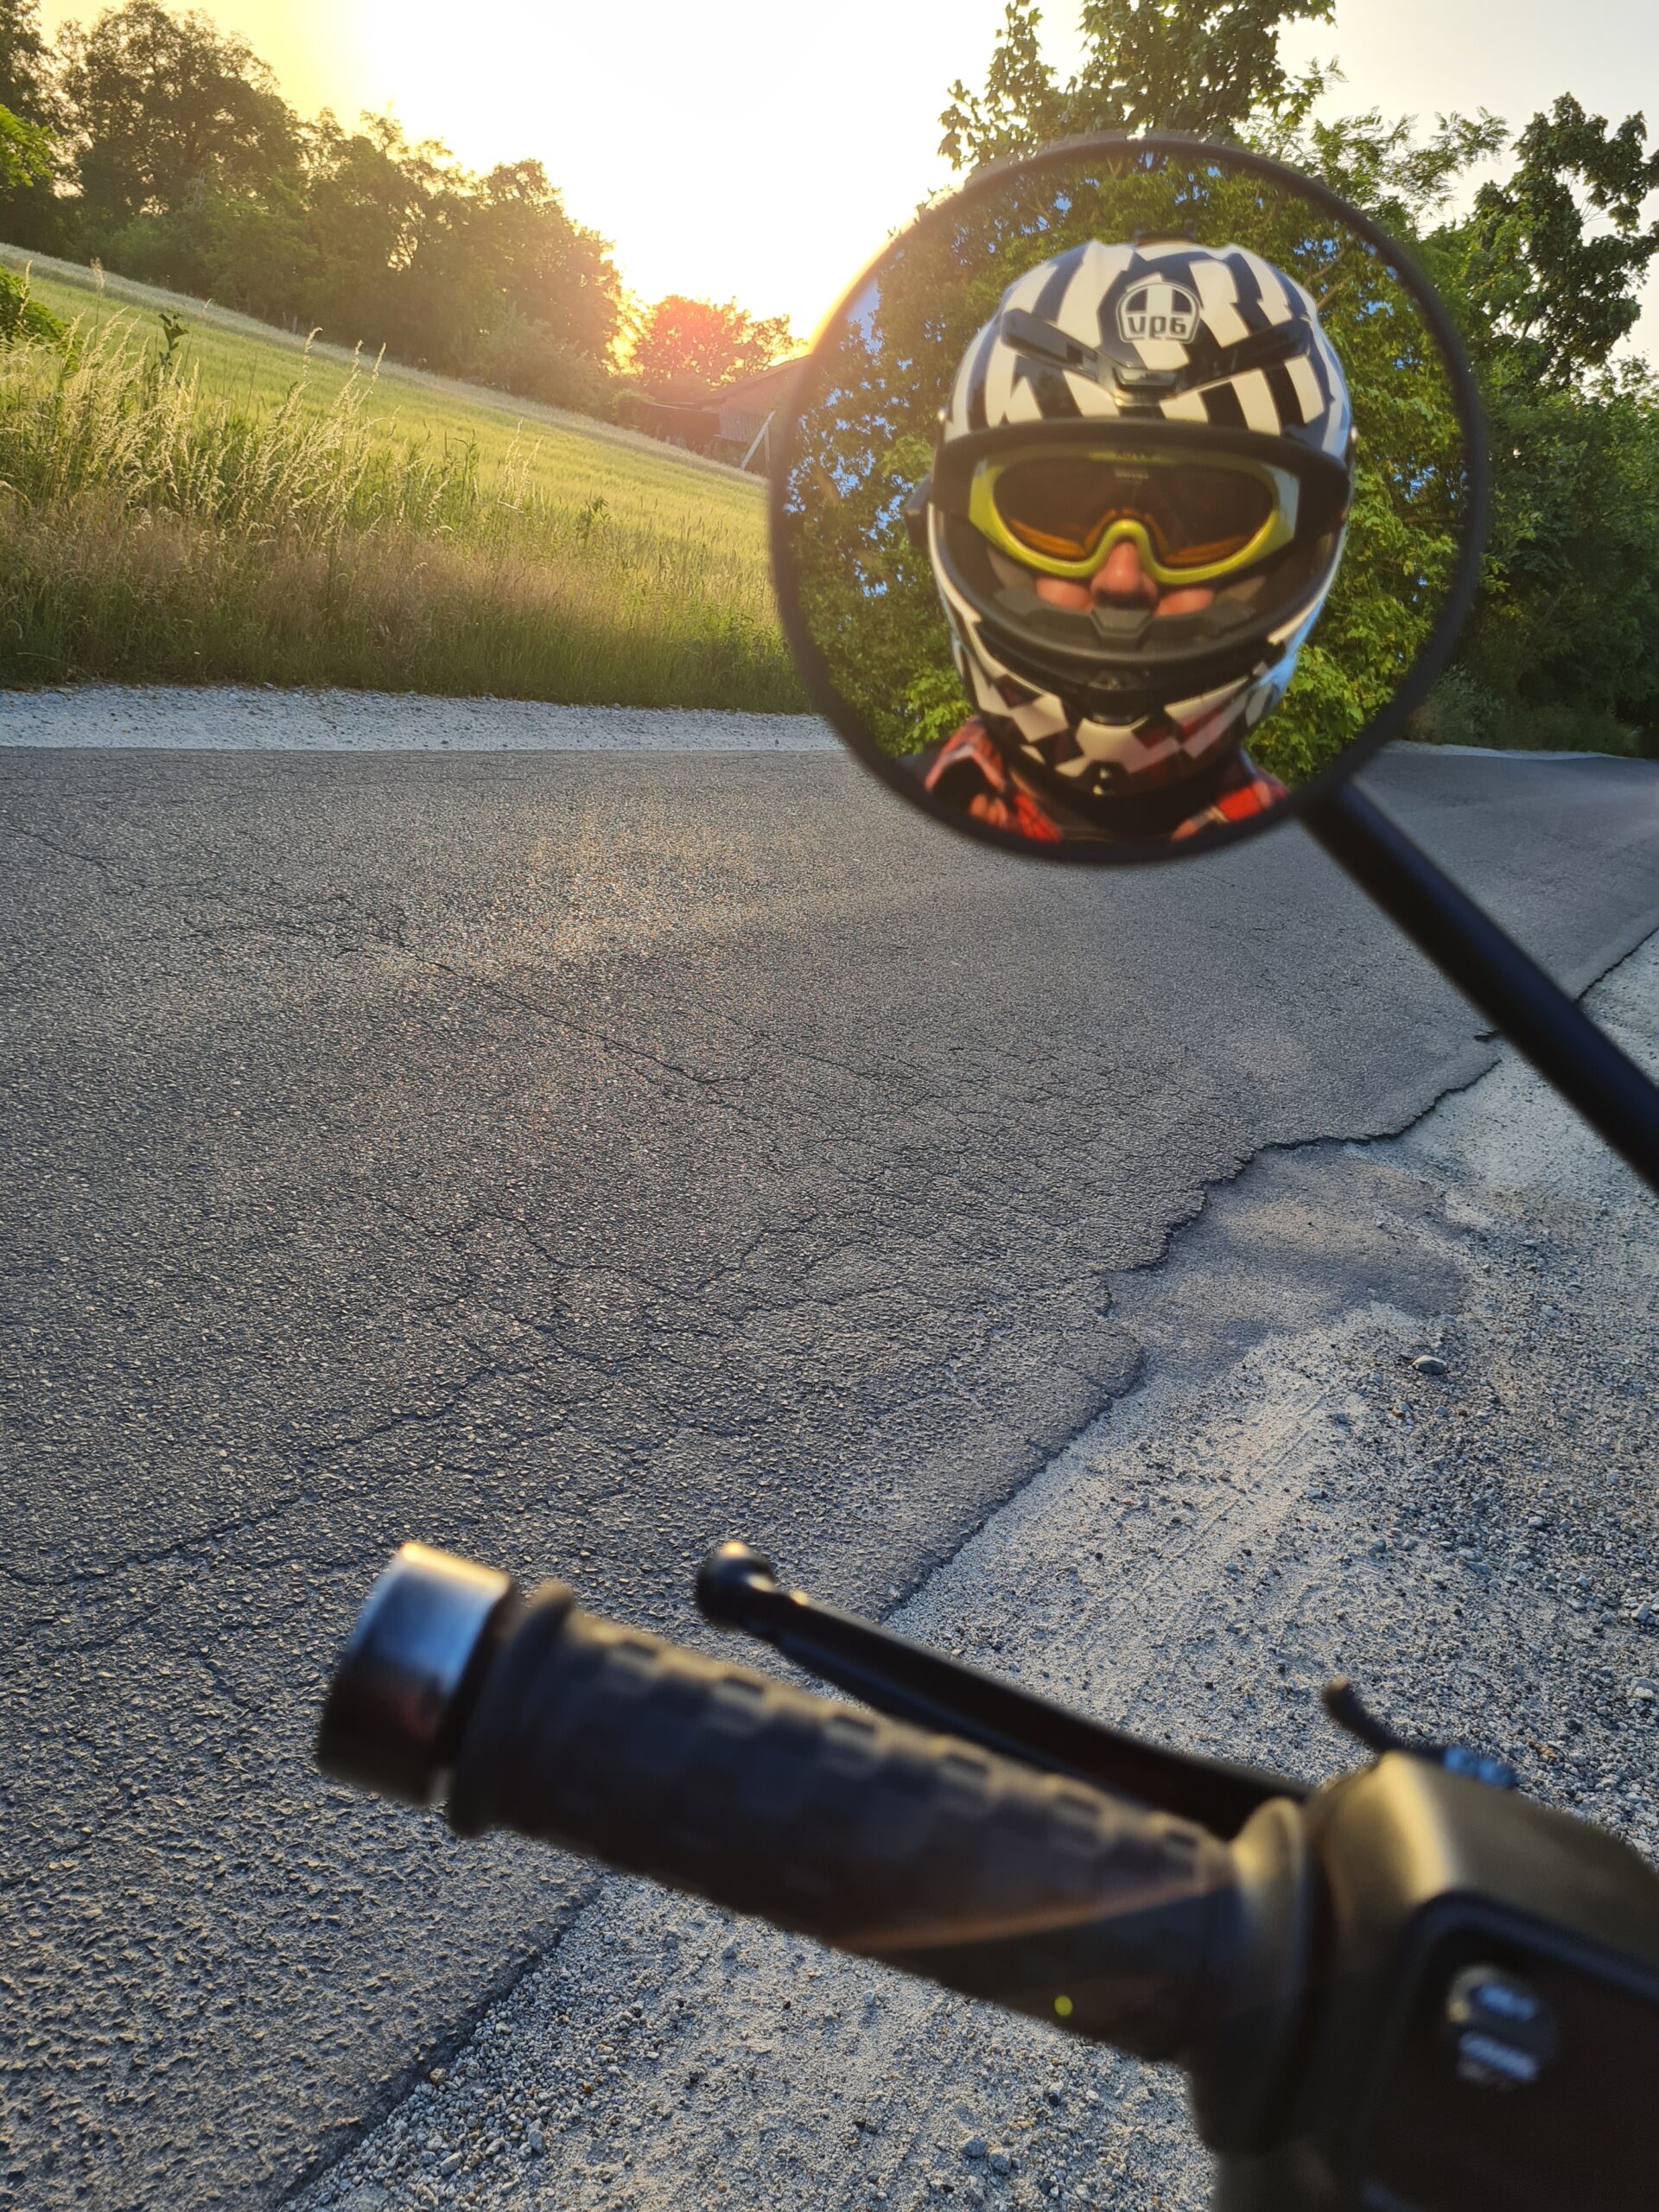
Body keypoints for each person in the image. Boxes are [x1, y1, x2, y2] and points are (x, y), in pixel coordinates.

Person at [906, 236, 1357, 844]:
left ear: (1293, 558)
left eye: (1205, 519)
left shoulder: (1318, 871)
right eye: (1056, 508)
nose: (1121, 578)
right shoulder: (1307, 866)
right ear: (967, 529)